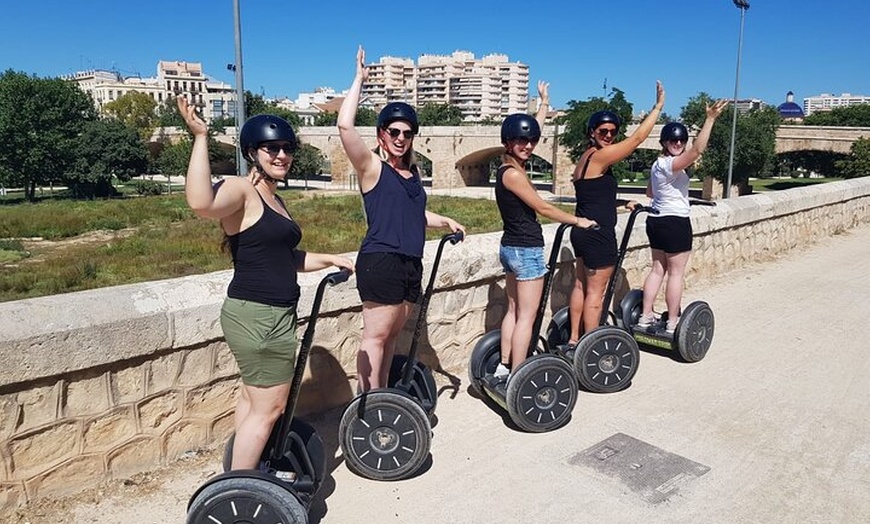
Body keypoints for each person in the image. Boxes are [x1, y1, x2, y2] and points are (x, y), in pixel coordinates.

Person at [177, 97, 355, 470]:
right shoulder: (243, 189)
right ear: (251, 152)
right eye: (271, 148)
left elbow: (286, 258)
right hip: (258, 316)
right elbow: (200, 202)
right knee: (271, 406)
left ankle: (242, 474)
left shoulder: (274, 198)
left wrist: (330, 259)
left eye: (287, 148)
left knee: (252, 400)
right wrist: (200, 138)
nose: (281, 155)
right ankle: (242, 493)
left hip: (272, 314)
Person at [337, 46, 466, 392]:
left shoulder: (412, 174)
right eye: (393, 132)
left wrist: (445, 221)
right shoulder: (372, 169)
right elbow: (345, 126)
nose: (400, 138)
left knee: (392, 337)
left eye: (407, 133)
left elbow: (413, 214)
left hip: (411, 262)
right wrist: (359, 79)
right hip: (382, 260)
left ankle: (381, 398)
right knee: (375, 337)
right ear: (381, 135)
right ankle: (370, 402)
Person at [493, 81, 598, 381]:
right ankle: (518, 374)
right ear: (507, 142)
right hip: (526, 250)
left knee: (513, 310)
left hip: (510, 247)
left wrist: (543, 103)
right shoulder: (514, 175)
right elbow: (543, 208)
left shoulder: (506, 168)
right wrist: (579, 221)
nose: (528, 146)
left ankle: (503, 366)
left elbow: (530, 130)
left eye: (532, 142)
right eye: (521, 141)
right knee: (526, 315)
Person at [566, 81, 666, 348]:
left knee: (580, 286)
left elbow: (594, 197)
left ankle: (575, 339)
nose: (609, 135)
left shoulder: (585, 158)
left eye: (612, 132)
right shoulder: (600, 157)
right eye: (603, 131)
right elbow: (637, 140)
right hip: (598, 235)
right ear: (591, 132)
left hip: (582, 232)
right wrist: (657, 108)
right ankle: (591, 347)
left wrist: (622, 204)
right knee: (596, 295)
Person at [638, 100, 729, 333]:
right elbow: (697, 151)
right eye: (673, 140)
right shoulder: (671, 164)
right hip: (675, 222)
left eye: (681, 140)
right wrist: (710, 119)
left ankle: (645, 316)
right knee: (676, 273)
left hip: (656, 220)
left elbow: (650, 192)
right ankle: (672, 322)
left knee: (658, 269)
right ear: (665, 143)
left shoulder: (657, 164)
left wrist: (676, 193)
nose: (678, 143)